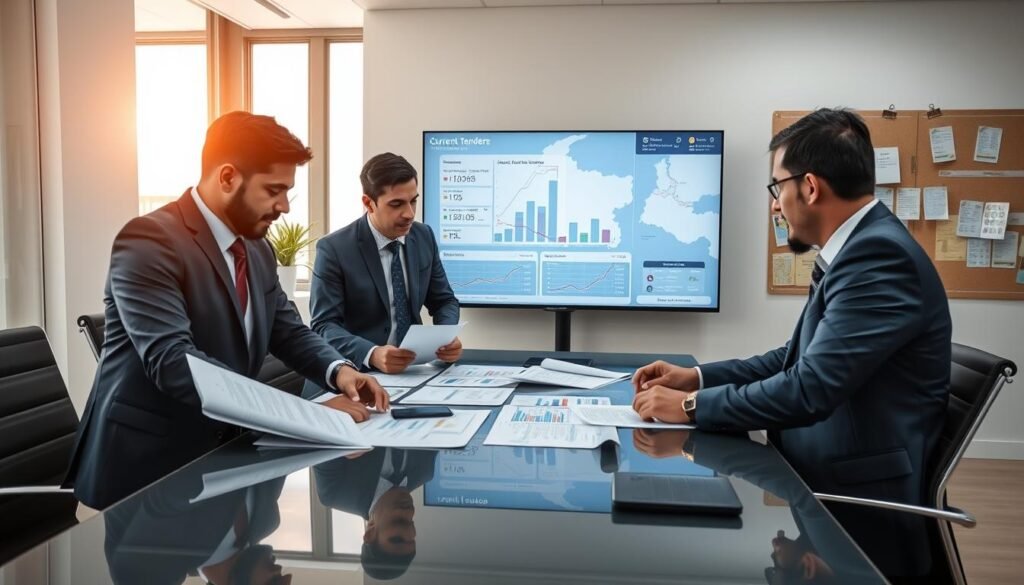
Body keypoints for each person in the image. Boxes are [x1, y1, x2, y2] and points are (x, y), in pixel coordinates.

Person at [631, 108, 951, 580]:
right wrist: (697, 377)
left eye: (777, 187)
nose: (775, 205)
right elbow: (793, 359)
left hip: (855, 514)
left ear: (811, 187)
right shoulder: (861, 249)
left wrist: (693, 405)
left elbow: (809, 388)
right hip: (821, 481)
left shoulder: (877, 256)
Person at [65, 112, 389, 510]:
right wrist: (310, 414)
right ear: (227, 177)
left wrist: (339, 371)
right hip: (144, 479)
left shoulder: (255, 247)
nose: (284, 206)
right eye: (274, 190)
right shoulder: (149, 241)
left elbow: (286, 329)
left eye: (288, 191)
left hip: (223, 465)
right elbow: (174, 362)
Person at [305, 152, 460, 381]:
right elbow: (324, 325)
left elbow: (444, 300)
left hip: (412, 372)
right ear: (369, 203)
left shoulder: (423, 236)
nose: (409, 213)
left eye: (413, 200)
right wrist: (372, 354)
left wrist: (445, 337)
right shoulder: (334, 249)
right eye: (396, 204)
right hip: (355, 374)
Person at [314, 448, 437, 580]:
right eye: (410, 522)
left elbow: (319, 437)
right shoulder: (425, 471)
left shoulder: (335, 490)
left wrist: (340, 447)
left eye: (398, 521)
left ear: (370, 533)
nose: (408, 511)